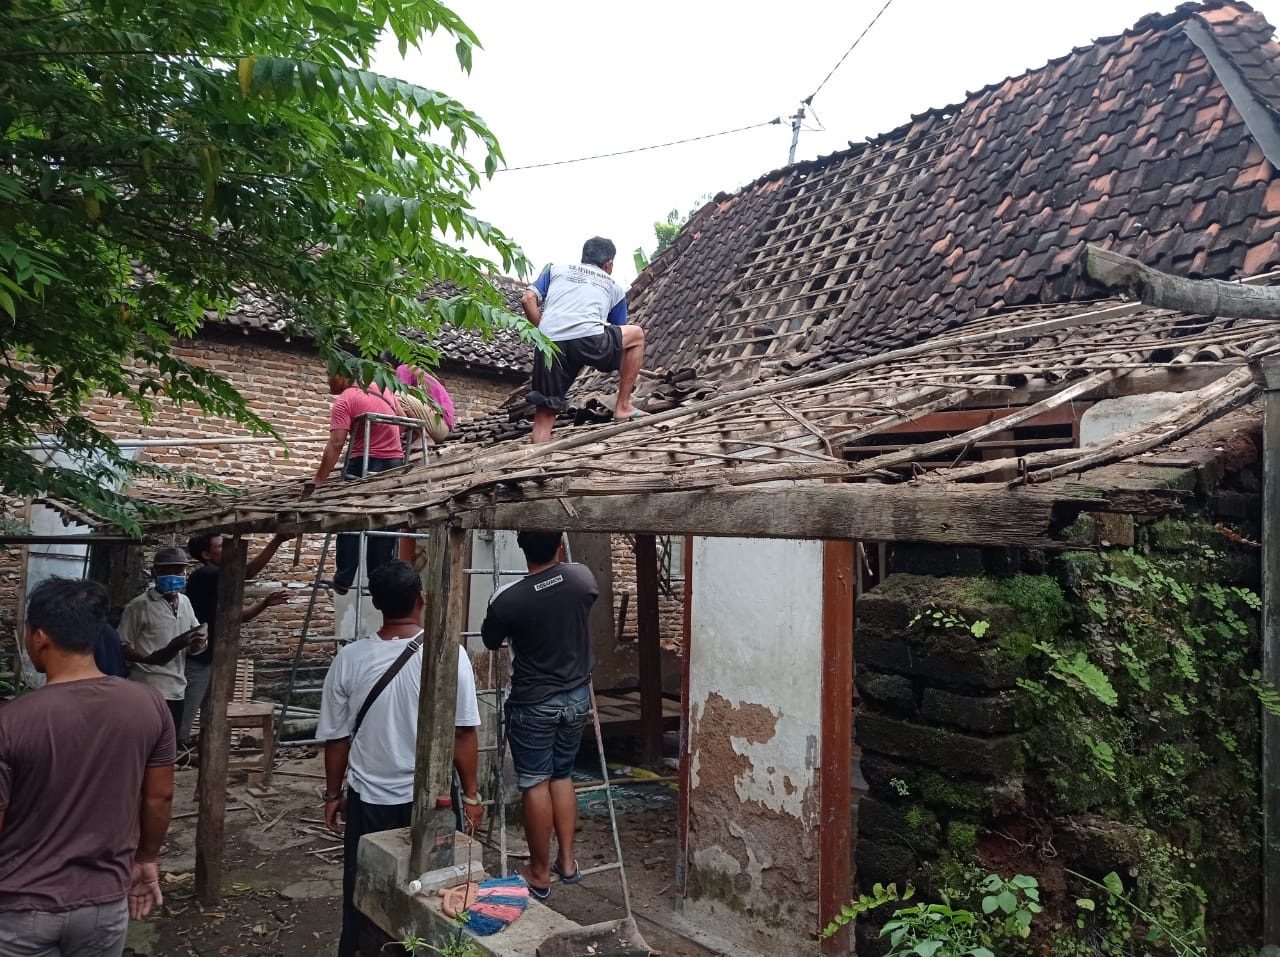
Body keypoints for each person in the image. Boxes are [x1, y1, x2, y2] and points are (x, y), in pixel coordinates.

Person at [0, 577, 176, 955]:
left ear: (39, 636)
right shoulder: (149, 705)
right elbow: (159, 797)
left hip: (21, 905)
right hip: (103, 902)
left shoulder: (10, 721)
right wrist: (146, 859)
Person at [317, 559, 483, 957]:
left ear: (376, 604)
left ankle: (362, 949)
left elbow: (337, 740)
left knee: (365, 889)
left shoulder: (350, 659)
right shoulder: (450, 654)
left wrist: (332, 793)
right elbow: (463, 732)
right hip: (432, 802)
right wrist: (473, 796)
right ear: (421, 600)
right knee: (439, 890)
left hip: (368, 799)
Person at [481, 531, 597, 898]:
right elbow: (581, 596)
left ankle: (539, 872)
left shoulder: (508, 599)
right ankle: (567, 862)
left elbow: (490, 640)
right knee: (562, 775)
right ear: (560, 544)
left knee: (534, 782)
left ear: (521, 547)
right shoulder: (581, 577)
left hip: (534, 703)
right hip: (577, 696)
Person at [520, 237, 647, 443]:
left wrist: (544, 331)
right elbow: (618, 330)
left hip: (550, 344)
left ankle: (534, 467)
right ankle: (623, 406)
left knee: (544, 414)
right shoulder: (613, 287)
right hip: (590, 341)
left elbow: (527, 299)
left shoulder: (556, 270)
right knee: (636, 335)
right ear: (608, 264)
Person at [180, 530, 293, 746]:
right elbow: (247, 572)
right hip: (199, 658)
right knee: (187, 712)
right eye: (222, 547)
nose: (230, 551)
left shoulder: (219, 581)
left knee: (210, 710)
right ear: (206, 555)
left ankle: (198, 751)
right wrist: (277, 540)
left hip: (213, 656)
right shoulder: (206, 575)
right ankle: (173, 754)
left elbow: (240, 617)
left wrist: (265, 604)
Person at [313, 370, 405, 594]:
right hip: (394, 464)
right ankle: (378, 582)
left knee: (350, 519)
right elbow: (402, 422)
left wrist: (319, 480)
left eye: (329, 376)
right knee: (384, 521)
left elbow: (336, 443)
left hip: (363, 463)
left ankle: (343, 579)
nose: (327, 381)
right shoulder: (384, 389)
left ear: (342, 374)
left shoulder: (346, 399)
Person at [120, 547, 203, 733]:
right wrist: (149, 659)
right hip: (147, 687)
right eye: (167, 570)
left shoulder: (185, 602)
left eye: (178, 570)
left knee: (168, 745)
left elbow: (193, 640)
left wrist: (197, 645)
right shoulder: (138, 605)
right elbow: (123, 646)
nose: (173, 575)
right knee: (145, 741)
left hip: (177, 689)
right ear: (154, 571)